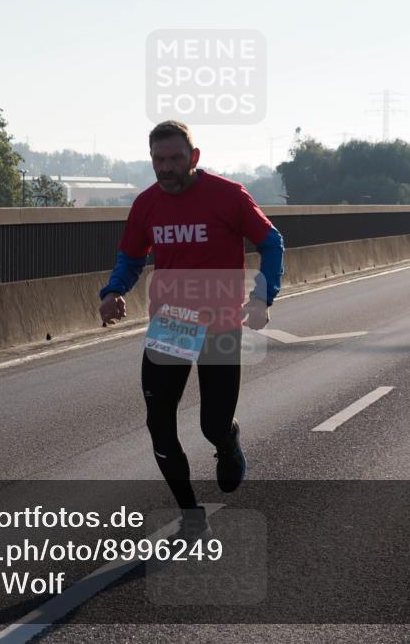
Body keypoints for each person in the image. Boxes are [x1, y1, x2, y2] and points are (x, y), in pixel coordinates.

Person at [98, 120, 285, 537]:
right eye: (158, 160)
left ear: (194, 158)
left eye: (174, 159)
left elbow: (272, 243)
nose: (166, 168)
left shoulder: (228, 196)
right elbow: (130, 257)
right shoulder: (146, 204)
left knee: (210, 425)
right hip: (171, 326)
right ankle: (190, 513)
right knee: (159, 423)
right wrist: (113, 291)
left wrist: (261, 296)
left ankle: (226, 440)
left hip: (220, 325)